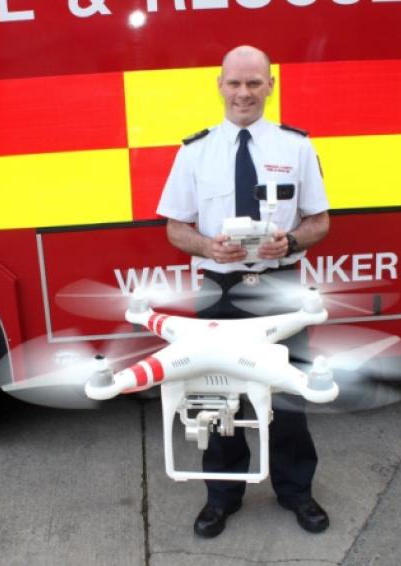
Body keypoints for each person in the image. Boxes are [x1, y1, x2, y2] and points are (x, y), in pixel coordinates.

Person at [156, 45, 330, 538]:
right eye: (235, 83)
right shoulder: (195, 151)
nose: (244, 93)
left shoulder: (295, 147)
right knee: (217, 401)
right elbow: (174, 228)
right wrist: (208, 246)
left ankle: (297, 492)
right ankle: (221, 496)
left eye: (255, 83)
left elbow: (320, 222)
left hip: (280, 288)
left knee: (288, 397)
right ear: (219, 84)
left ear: (270, 86)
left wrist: (290, 242)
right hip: (219, 290)